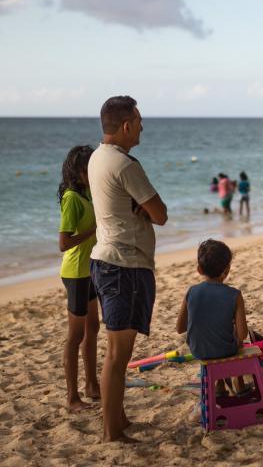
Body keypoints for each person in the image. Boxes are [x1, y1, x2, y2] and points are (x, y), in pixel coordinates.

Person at [87, 96, 168, 443]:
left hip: (106, 260)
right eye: (139, 121)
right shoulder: (125, 165)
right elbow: (161, 214)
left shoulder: (96, 158)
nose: (142, 127)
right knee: (119, 356)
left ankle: (117, 419)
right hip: (124, 264)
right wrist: (144, 207)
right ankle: (111, 432)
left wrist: (138, 206)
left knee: (115, 353)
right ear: (125, 126)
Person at [56, 144, 99, 412]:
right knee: (75, 335)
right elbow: (63, 243)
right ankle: (72, 397)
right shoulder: (72, 198)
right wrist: (94, 230)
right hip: (75, 273)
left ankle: (92, 385)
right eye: (89, 169)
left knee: (93, 328)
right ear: (78, 171)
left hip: (91, 269)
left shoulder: (88, 193)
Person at [176, 240, 248, 360]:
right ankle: (236, 378)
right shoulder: (235, 295)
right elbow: (243, 334)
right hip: (226, 351)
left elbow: (180, 328)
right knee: (236, 335)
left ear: (199, 269)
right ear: (227, 269)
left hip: (198, 352)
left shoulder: (191, 291)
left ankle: (219, 379)